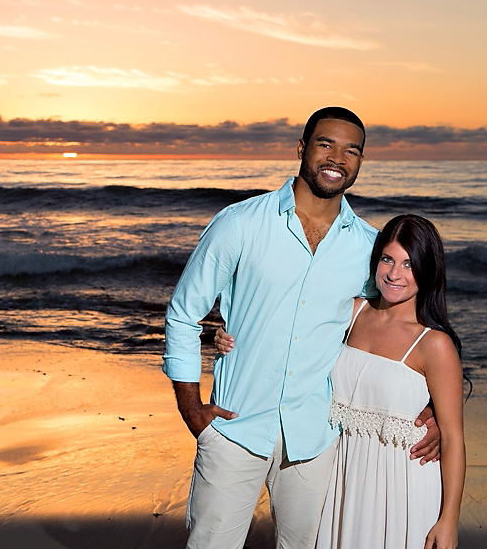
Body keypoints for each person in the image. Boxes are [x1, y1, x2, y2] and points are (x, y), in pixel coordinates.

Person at [163, 107, 440, 549]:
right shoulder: (240, 223)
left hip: (316, 439)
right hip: (235, 428)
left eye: (352, 150)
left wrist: (438, 406)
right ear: (301, 148)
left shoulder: (368, 248)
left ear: (360, 162)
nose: (338, 158)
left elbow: (405, 326)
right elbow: (182, 313)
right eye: (325, 144)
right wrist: (193, 411)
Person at [218, 215, 467, 549]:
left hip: (403, 483)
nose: (394, 274)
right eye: (387, 259)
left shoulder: (433, 344)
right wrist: (229, 336)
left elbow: (452, 439)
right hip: (342, 476)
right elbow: (285, 335)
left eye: (409, 264)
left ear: (428, 270)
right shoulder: (352, 313)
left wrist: (448, 520)